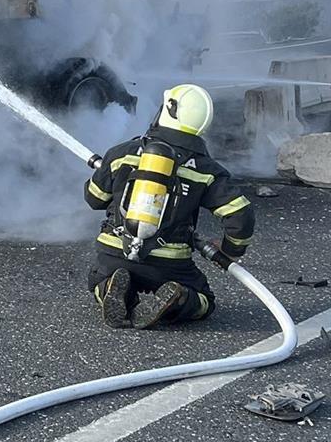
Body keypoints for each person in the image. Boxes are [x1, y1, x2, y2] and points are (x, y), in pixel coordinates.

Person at [84, 84, 255, 329]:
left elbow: (94, 199)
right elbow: (240, 215)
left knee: (98, 279)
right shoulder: (207, 170)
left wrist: (110, 175)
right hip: (169, 263)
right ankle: (178, 297)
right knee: (205, 301)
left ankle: (111, 287)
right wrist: (231, 250)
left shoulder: (123, 153)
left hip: (115, 254)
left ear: (168, 110)